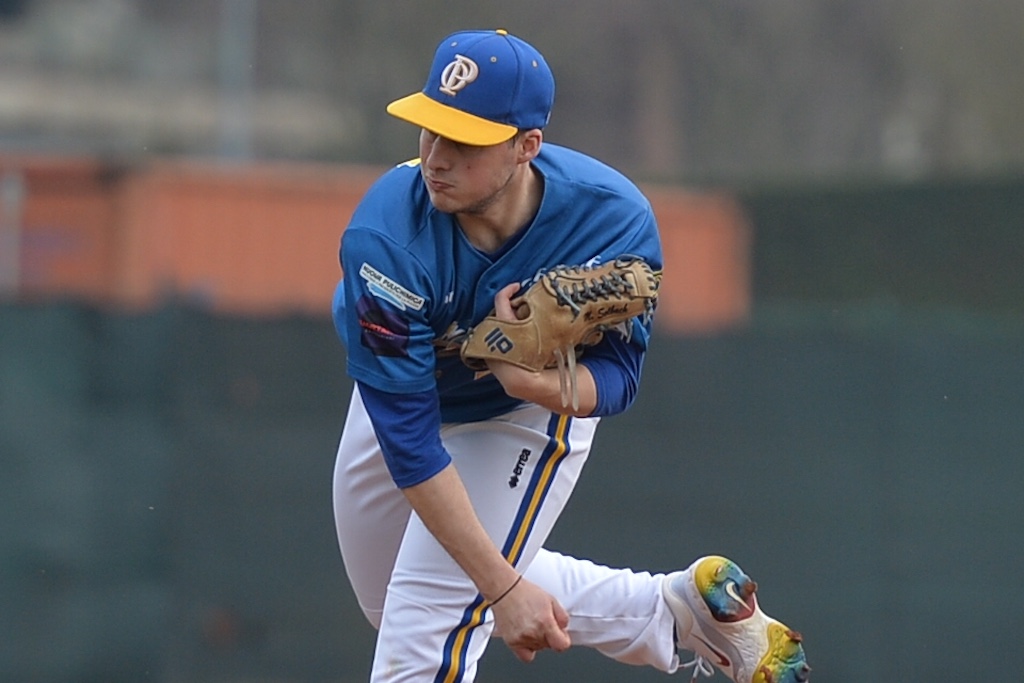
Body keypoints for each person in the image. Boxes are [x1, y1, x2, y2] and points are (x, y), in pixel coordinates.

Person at [331, 28, 809, 683]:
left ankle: (618, 608)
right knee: (391, 598)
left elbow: (620, 376)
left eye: (464, 140)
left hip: (519, 414)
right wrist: (501, 588)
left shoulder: (609, 222)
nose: (436, 157)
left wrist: (535, 385)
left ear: (528, 146)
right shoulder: (387, 238)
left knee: (424, 629)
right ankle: (672, 615)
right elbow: (410, 443)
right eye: (429, 128)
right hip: (406, 398)